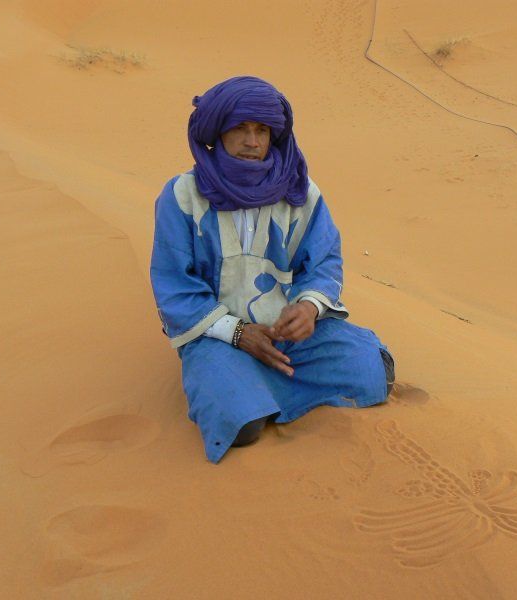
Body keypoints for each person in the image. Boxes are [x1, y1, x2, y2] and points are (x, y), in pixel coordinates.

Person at [150, 76, 394, 463]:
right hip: (219, 337)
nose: (252, 142)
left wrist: (310, 308)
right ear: (217, 133)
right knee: (240, 427)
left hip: (291, 339)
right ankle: (240, 390)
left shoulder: (300, 192)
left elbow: (325, 261)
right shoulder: (183, 197)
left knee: (373, 372)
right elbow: (174, 287)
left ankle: (257, 389)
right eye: (240, 129)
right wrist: (239, 333)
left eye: (262, 130)